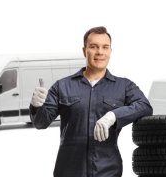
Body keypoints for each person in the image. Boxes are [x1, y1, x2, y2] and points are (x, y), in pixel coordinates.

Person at [30, 26, 153, 177]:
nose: (100, 52)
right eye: (93, 47)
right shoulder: (62, 86)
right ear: (84, 51)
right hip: (69, 171)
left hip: (108, 171)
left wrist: (113, 116)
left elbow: (145, 106)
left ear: (110, 52)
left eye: (105, 47)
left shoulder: (124, 86)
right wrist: (36, 106)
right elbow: (40, 123)